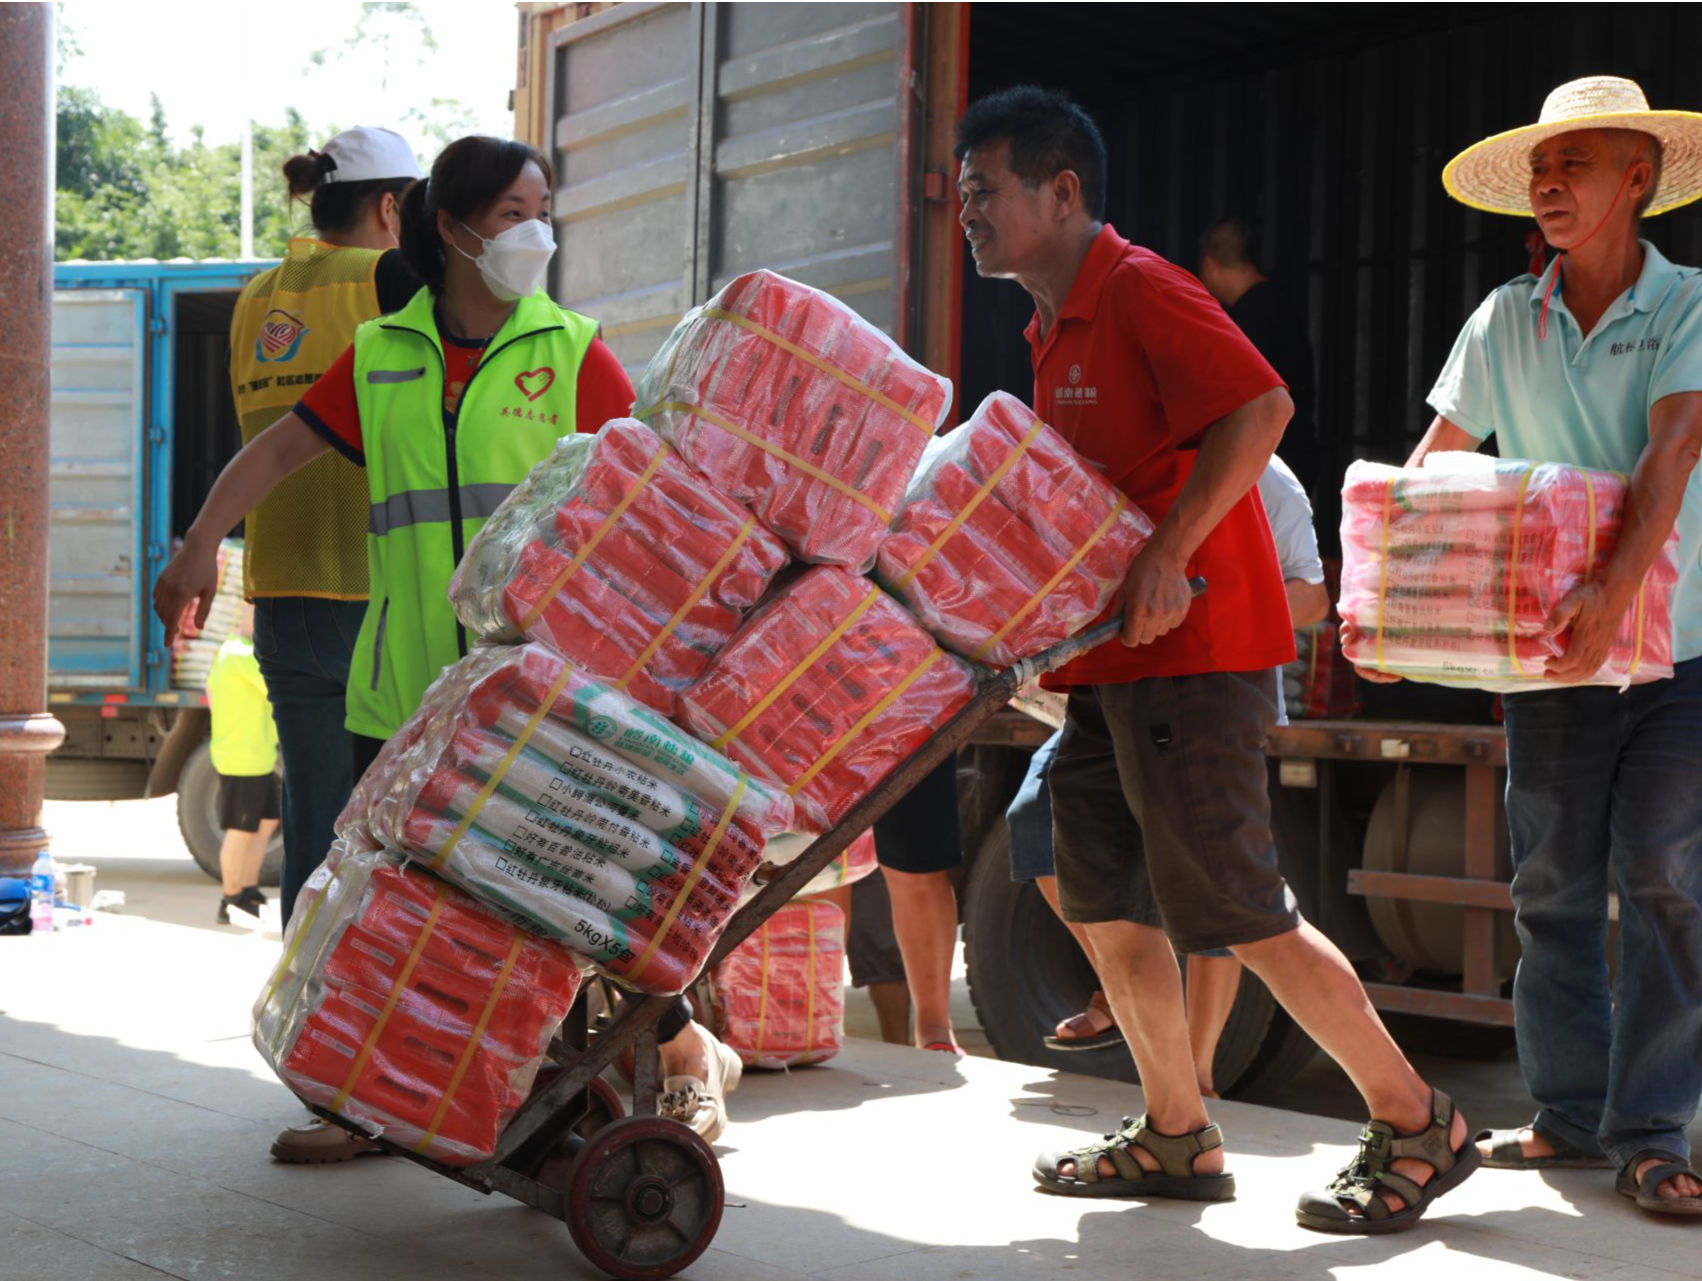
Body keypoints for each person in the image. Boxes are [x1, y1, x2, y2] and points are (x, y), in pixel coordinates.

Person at [956, 85, 1474, 1232]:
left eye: (984, 190)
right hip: (1109, 671)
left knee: (1240, 907)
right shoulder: (1049, 327)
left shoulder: (1139, 287)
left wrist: (1166, 554)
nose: (968, 214)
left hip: (1192, 657)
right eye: (961, 196)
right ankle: (1177, 1131)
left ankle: (1415, 1119)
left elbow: (1262, 407)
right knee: (1098, 894)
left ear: (1063, 190)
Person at [156, 134, 738, 1148]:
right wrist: (200, 543)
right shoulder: (382, 354)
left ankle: (686, 1054)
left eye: (541, 208)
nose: (535, 232)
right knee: (402, 908)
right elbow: (280, 450)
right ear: (452, 227)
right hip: (409, 691)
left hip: (540, 692)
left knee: (565, 902)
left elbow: (663, 499)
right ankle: (361, 1105)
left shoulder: (569, 351)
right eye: (515, 213)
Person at [1366, 75, 1702, 1215]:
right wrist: (1378, 603)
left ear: (1639, 177)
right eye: (1540, 171)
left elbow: (1671, 456)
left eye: (1578, 165)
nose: (1551, 185)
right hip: (1551, 665)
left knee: (1661, 878)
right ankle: (1564, 1120)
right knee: (1549, 888)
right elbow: (1431, 467)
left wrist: (1614, 589)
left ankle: (1653, 1130)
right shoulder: (1505, 317)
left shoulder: (1689, 305)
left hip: (1678, 656)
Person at [1012, 458, 1330, 1100]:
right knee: (1034, 823)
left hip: (1212, 686)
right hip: (1110, 684)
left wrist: (1199, 597)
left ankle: (1198, 1074)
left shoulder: (1265, 476)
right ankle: (1120, 991)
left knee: (1212, 885)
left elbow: (1313, 596)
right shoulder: (1138, 453)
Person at [227, 125, 422, 935]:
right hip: (370, 594)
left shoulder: (255, 296)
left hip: (280, 592)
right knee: (394, 821)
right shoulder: (389, 276)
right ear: (390, 207)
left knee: (314, 813)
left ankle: (307, 994)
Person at [1199, 219, 1321, 497]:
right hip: (1297, 454)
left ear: (1208, 264)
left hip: (1269, 466)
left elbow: (1242, 400)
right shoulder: (1280, 303)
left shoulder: (1248, 319)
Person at [873, 755, 968, 1054]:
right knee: (816, 864)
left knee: (917, 863)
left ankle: (934, 1026)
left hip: (906, 714)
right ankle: (815, 1022)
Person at [206, 603, 280, 927]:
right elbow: (275, 687)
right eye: (258, 611)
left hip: (259, 757)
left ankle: (248, 888)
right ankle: (230, 898)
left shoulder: (240, 651)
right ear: (243, 614)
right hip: (242, 759)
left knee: (266, 822)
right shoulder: (239, 653)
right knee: (240, 830)